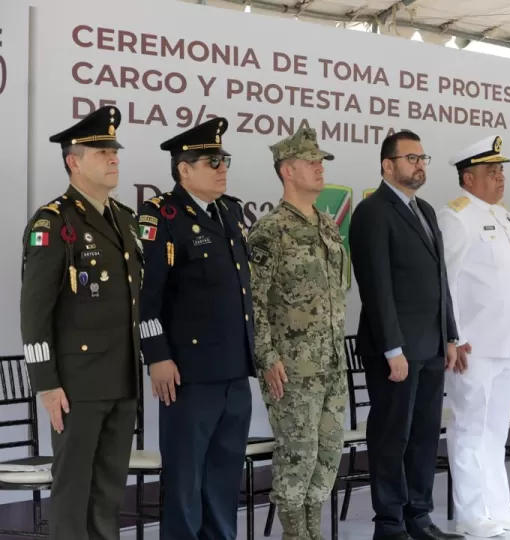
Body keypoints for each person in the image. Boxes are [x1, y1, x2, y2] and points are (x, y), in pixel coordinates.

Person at [20, 106, 141, 540]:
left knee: (108, 492)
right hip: (76, 385)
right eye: (102, 151)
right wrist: (46, 384)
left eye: (115, 151)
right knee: (73, 493)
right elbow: (35, 312)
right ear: (74, 161)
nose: (114, 158)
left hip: (121, 378)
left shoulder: (124, 219)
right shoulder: (54, 222)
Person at [138, 118, 255, 540]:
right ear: (184, 169)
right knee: (186, 483)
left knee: (223, 479)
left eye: (224, 159)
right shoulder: (161, 215)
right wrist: (157, 357)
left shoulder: (229, 211)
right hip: (187, 374)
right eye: (212, 161)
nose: (222, 168)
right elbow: (146, 297)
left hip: (232, 370)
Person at [349, 130, 463, 540]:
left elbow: (440, 279)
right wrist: (392, 347)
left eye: (423, 157)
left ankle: (419, 516)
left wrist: (450, 336)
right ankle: (390, 523)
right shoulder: (372, 211)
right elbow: (376, 286)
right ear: (387, 165)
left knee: (424, 436)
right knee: (392, 436)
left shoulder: (426, 210)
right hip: (394, 350)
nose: (420, 164)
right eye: (411, 157)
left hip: (431, 346)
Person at [436, 135, 510, 537]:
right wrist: (453, 335)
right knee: (469, 429)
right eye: (491, 172)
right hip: (473, 345)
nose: (500, 178)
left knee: (496, 431)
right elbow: (446, 282)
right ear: (468, 177)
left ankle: (497, 508)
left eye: (501, 171)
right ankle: (470, 515)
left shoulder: (503, 217)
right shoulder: (456, 217)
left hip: (506, 342)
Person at [247, 123, 346, 538]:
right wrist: (267, 359)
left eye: (320, 161)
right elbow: (253, 304)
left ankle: (312, 532)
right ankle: (294, 534)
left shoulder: (327, 224)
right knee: (297, 457)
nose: (319, 168)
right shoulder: (270, 231)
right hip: (292, 367)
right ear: (287, 171)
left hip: (330, 363)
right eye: (310, 162)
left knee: (327, 455)